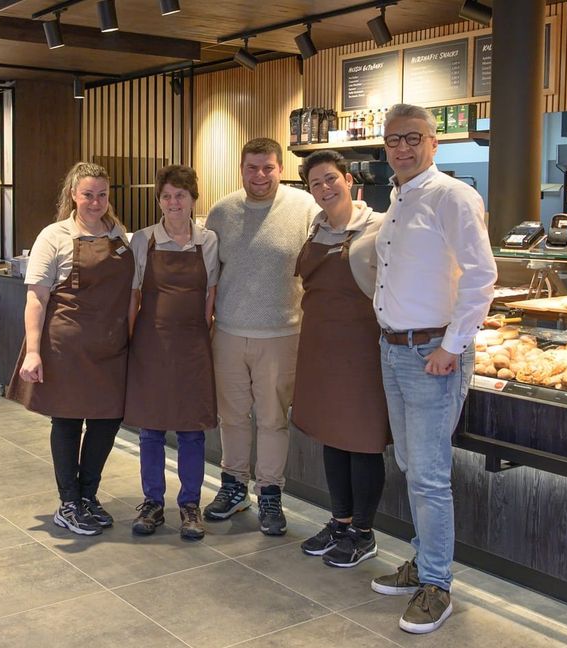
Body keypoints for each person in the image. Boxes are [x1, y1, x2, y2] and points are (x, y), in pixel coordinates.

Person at [367, 104, 496, 634]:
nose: (402, 148)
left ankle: (437, 584)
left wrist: (452, 344)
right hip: (394, 350)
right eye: (394, 140)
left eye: (413, 138)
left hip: (430, 356)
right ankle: (422, 562)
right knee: (410, 467)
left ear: (433, 142)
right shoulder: (397, 198)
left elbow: (481, 276)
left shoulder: (453, 197)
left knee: (428, 476)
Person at [7, 162, 134, 537]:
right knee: (67, 420)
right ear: (73, 196)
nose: (96, 202)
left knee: (107, 420)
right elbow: (36, 298)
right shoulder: (55, 236)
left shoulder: (118, 235)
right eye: (88, 195)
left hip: (110, 345)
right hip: (66, 344)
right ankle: (69, 503)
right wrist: (33, 351)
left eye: (102, 194)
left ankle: (88, 496)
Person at [202, 137, 317, 535]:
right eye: (252, 167)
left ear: (280, 168)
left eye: (268, 167)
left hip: (282, 334)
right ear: (241, 169)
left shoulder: (304, 208)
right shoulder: (222, 212)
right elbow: (208, 275)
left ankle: (271, 492)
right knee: (231, 416)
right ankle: (234, 487)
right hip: (229, 332)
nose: (260, 176)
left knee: (272, 419)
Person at [291, 150, 390, 568]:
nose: (325, 188)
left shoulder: (380, 227)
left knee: (362, 441)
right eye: (316, 183)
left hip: (361, 348)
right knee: (333, 438)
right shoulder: (314, 228)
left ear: (349, 180)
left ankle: (363, 533)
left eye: (331, 179)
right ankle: (340, 521)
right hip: (319, 346)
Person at [123, 165, 219, 541]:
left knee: (192, 430)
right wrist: (131, 343)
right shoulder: (143, 240)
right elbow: (134, 296)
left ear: (193, 199)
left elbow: (211, 295)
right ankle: (152, 503)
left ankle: (191, 505)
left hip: (193, 344)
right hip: (151, 343)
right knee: (151, 429)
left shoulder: (208, 241)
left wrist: (205, 339)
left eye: (181, 195)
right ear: (159, 200)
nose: (174, 202)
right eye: (166, 196)